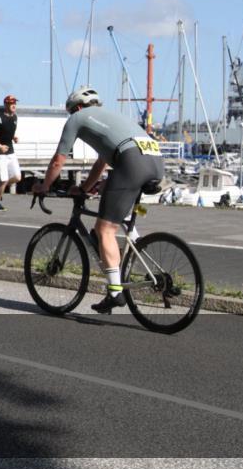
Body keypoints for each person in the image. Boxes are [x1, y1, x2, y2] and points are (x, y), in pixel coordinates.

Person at [32, 86, 165, 314]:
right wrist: (84, 188)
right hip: (155, 161)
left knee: (104, 230)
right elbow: (102, 163)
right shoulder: (109, 117)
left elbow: (58, 160)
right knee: (118, 220)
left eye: (72, 111)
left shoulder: (78, 118)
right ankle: (141, 263)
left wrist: (44, 186)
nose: (72, 116)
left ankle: (115, 292)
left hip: (132, 162)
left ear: (78, 108)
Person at [0, 95, 20, 211]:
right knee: (4, 180)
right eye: (11, 103)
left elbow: (8, 133)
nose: (14, 105)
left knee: (17, 177)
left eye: (15, 103)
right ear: (5, 105)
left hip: (11, 152)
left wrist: (14, 138)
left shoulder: (15, 117)